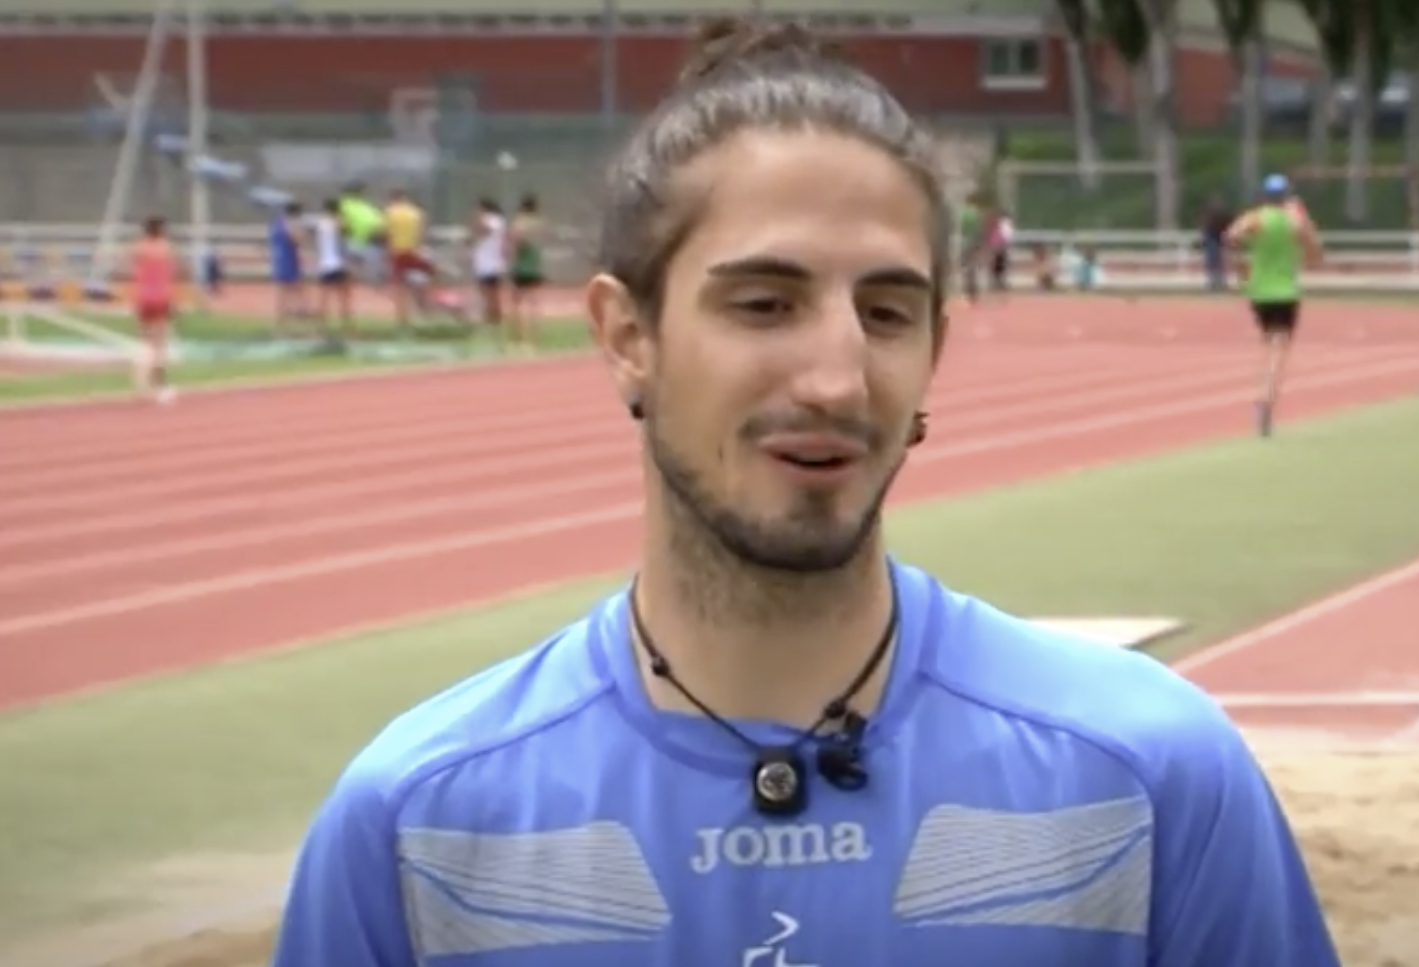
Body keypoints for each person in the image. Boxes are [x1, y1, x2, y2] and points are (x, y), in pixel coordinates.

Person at [270, 18, 1340, 967]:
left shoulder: (1149, 777)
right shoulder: (420, 821)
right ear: (627, 336)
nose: (836, 378)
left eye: (885, 313)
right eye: (765, 303)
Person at [1226, 173, 1323, 438]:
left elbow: (1231, 236)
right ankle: (1267, 398)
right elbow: (1316, 252)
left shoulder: (1255, 218)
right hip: (1285, 291)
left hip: (1258, 290)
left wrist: (1240, 266)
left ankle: (1264, 392)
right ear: (1286, 195)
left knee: (1268, 342)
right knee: (1280, 349)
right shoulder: (1294, 220)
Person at [130, 216, 177, 405]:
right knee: (160, 344)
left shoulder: (139, 248)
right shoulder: (166, 248)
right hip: (161, 298)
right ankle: (160, 384)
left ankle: (140, 383)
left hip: (143, 297)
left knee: (145, 342)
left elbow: (134, 263)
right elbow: (170, 272)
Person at [383, 188, 431, 330]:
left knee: (400, 286)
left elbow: (386, 233)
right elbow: (422, 232)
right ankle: (423, 309)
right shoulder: (416, 213)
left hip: (396, 251)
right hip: (414, 250)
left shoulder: (390, 212)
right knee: (422, 279)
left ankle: (402, 317)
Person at [508, 193, 546, 352]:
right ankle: (534, 339)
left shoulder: (519, 222)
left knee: (517, 303)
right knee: (534, 303)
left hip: (522, 266)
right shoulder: (539, 223)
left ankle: (520, 338)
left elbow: (516, 241)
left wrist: (511, 256)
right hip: (535, 265)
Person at [469, 196, 509, 341]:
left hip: (489, 263)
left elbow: (484, 231)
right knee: (488, 293)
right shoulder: (496, 220)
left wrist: (478, 219)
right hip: (487, 261)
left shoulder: (493, 220)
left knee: (490, 293)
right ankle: (491, 319)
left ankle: (493, 319)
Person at [312, 197, 352, 338]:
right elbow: (344, 237)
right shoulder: (338, 222)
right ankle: (347, 328)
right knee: (344, 297)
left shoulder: (321, 223)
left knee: (324, 297)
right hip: (337, 263)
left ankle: (319, 328)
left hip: (324, 263)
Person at [267, 201, 307, 330]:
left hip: (278, 261)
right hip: (288, 261)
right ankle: (308, 328)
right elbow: (297, 240)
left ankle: (279, 327)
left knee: (284, 295)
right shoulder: (289, 224)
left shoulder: (276, 224)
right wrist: (301, 233)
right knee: (297, 294)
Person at [1200, 193, 1234, 291]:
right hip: (1211, 237)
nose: (1217, 205)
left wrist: (1227, 235)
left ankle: (1220, 282)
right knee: (1212, 260)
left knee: (1220, 261)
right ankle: (1213, 282)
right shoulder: (1209, 213)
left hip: (1220, 238)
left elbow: (1229, 224)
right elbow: (1205, 226)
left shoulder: (1224, 213)